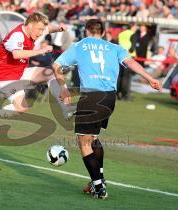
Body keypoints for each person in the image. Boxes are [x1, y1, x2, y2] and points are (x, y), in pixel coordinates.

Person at [52, 19, 162, 199]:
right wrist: (150, 78)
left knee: (83, 142)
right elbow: (131, 63)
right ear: (103, 33)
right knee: (93, 138)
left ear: (87, 31)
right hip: (110, 97)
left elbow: (56, 65)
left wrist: (63, 88)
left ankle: (98, 187)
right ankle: (99, 179)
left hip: (91, 96)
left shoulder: (81, 45)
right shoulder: (115, 47)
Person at [0, 12, 76, 139]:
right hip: (5, 77)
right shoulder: (17, 35)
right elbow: (17, 54)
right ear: (30, 25)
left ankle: (65, 108)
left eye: (42, 30)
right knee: (21, 108)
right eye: (39, 30)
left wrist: (58, 27)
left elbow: (48, 28)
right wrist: (40, 51)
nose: (41, 33)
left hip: (21, 71)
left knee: (50, 73)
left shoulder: (34, 29)